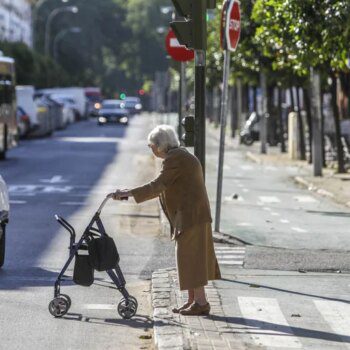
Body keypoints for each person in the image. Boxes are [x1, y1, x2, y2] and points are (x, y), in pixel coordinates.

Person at [111, 125, 221, 316]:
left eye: (151, 145)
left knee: (191, 259)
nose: (150, 148)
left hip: (190, 217)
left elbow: (158, 186)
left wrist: (128, 193)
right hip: (190, 215)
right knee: (188, 258)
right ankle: (193, 301)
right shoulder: (180, 156)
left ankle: (201, 302)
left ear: (160, 145)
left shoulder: (175, 159)